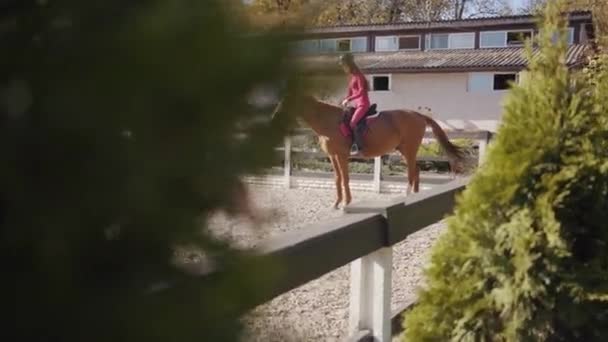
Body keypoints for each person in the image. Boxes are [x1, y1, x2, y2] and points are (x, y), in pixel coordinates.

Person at [339, 53, 370, 156]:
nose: (343, 68)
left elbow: (361, 91)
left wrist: (349, 99)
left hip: (363, 104)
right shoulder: (352, 78)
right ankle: (350, 143)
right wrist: (344, 100)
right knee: (343, 121)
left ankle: (359, 147)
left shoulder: (359, 76)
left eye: (344, 66)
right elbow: (350, 93)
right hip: (357, 105)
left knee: (352, 123)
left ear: (349, 65)